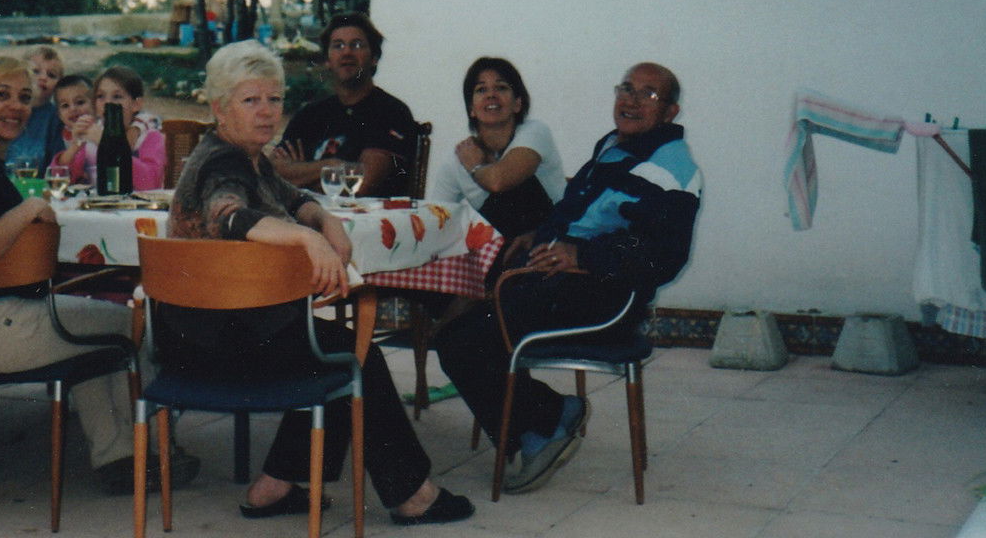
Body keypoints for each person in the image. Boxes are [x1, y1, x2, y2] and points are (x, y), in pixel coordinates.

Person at [165, 41, 473, 526]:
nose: (267, 112)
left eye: (273, 99)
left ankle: (274, 487)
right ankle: (412, 494)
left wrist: (324, 222)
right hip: (217, 343)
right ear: (220, 108)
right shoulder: (221, 165)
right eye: (250, 101)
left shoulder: (249, 157)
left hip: (215, 333)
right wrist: (307, 242)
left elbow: (295, 196)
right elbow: (229, 216)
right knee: (353, 353)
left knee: (335, 347)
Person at [0, 57, 199, 490]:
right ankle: (153, 453)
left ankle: (123, 457)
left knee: (93, 323)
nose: (15, 107)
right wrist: (28, 209)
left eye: (24, 98)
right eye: (1, 95)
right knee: (132, 326)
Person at [435, 62, 701, 496]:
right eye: (626, 89)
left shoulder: (674, 168)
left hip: (607, 295)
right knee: (461, 327)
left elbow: (663, 255)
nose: (631, 101)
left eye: (648, 95)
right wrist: (538, 235)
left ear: (670, 111)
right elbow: (574, 211)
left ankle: (544, 423)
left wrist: (581, 253)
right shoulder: (615, 148)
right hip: (568, 281)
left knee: (462, 341)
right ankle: (544, 418)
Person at [272, 12, 419, 196]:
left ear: (374, 57)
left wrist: (301, 177)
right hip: (308, 219)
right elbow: (274, 175)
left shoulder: (391, 112)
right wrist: (332, 165)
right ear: (327, 60)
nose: (347, 52)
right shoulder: (309, 115)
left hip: (369, 222)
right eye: (338, 46)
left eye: (356, 45)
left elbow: (361, 185)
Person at [427, 57, 566, 240]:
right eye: (481, 89)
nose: (491, 95)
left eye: (501, 87)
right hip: (502, 256)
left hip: (553, 242)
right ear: (472, 109)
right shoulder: (459, 157)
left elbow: (498, 181)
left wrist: (476, 167)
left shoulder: (535, 132)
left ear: (517, 103)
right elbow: (435, 219)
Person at [58, 66, 167, 190]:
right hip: (97, 205)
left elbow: (150, 182)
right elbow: (62, 177)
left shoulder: (149, 137)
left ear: (136, 104)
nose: (107, 102)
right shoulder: (92, 135)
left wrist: (106, 143)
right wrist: (75, 144)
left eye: (117, 97)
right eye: (100, 96)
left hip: (137, 207)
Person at [4, 44, 66, 172]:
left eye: (51, 75)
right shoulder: (8, 110)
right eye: (36, 71)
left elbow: (57, 162)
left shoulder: (55, 118)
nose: (43, 78)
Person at [49, 74, 97, 180]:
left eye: (80, 102)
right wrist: (75, 145)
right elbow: (55, 174)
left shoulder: (103, 128)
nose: (73, 109)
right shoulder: (60, 138)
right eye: (65, 106)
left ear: (95, 104)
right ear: (59, 114)